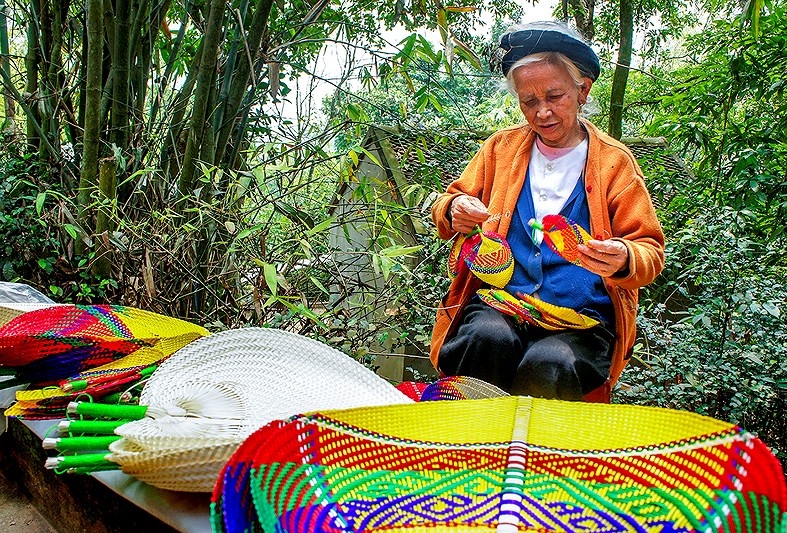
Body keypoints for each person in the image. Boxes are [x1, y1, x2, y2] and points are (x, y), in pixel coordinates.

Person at [429, 21, 665, 402]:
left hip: (582, 320)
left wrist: (623, 258)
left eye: (555, 95)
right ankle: (468, 449)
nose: (542, 112)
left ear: (582, 90)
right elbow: (449, 202)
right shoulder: (499, 150)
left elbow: (649, 251)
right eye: (529, 101)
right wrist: (456, 208)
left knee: (551, 363)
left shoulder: (615, 164)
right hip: (502, 304)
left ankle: (535, 459)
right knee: (484, 338)